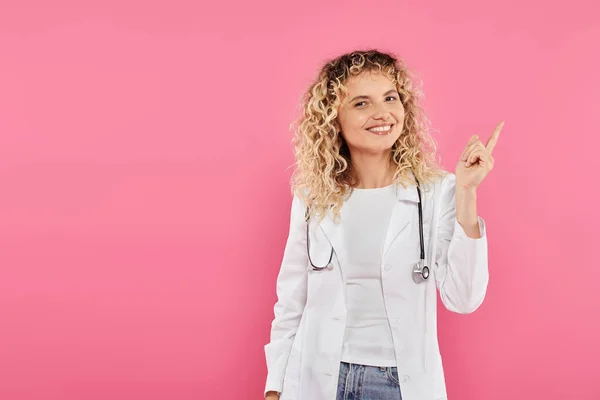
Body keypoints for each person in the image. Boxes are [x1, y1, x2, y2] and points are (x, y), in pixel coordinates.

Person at [264, 49, 503, 400]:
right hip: (318, 377)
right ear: (334, 118)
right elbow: (291, 300)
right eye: (361, 103)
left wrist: (467, 193)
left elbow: (463, 298)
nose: (382, 113)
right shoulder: (312, 195)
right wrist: (275, 388)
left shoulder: (436, 191)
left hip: (399, 384)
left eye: (390, 98)